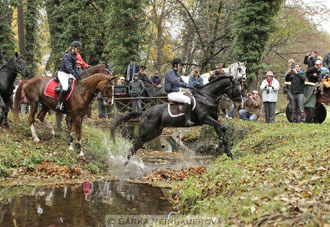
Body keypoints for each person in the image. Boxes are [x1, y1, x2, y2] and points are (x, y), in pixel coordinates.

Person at [164, 58, 194, 126]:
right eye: (180, 65)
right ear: (175, 65)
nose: (180, 67)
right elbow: (177, 83)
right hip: (172, 93)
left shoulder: (177, 74)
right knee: (187, 99)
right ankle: (187, 120)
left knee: (190, 96)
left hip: (177, 92)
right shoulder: (170, 73)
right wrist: (188, 85)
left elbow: (183, 82)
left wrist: (192, 86)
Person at [56, 41, 82, 110]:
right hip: (63, 73)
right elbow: (69, 68)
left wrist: (78, 76)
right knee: (65, 87)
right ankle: (60, 103)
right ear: (73, 47)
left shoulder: (74, 56)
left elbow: (75, 67)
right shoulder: (67, 55)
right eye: (78, 49)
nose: (78, 50)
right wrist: (75, 75)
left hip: (69, 74)